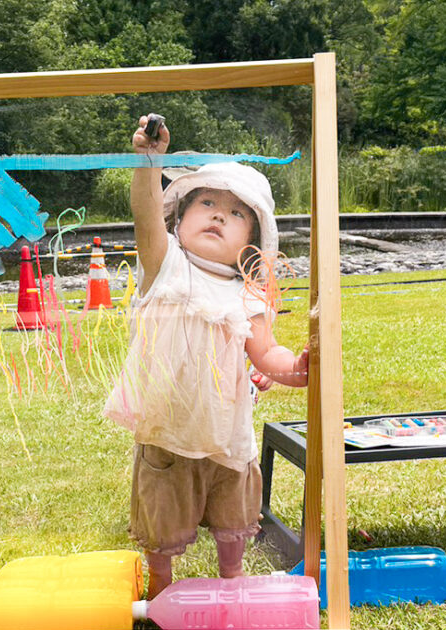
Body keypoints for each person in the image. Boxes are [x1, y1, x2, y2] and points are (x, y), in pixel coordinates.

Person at [104, 115, 310, 598]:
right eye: (208, 203)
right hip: (168, 430)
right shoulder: (165, 265)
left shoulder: (249, 295)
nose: (219, 215)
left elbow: (266, 352)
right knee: (165, 511)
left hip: (226, 431)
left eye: (237, 214)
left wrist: (294, 370)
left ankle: (232, 579)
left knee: (233, 509)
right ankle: (159, 585)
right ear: (180, 218)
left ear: (252, 241)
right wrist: (148, 163)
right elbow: (145, 213)